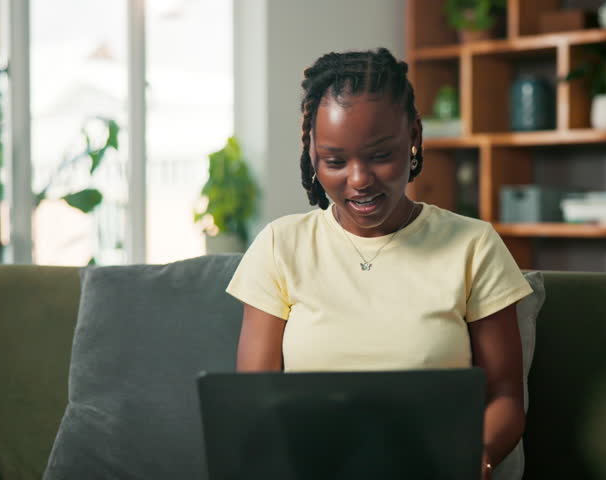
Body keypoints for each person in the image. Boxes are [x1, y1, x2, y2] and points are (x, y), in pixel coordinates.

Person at [227, 47, 534, 480]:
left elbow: (504, 395)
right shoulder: (281, 246)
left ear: (412, 136)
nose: (358, 179)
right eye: (335, 161)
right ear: (312, 152)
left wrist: (474, 458)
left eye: (379, 155)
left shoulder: (473, 245)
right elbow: (253, 402)